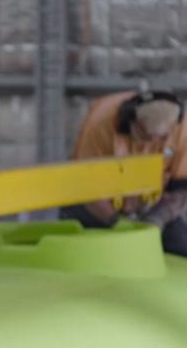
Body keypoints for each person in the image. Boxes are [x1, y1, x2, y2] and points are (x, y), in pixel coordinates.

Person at [60, 88, 187, 256]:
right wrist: (116, 221)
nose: (151, 144)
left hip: (150, 206)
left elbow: (180, 188)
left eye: (162, 139)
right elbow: (87, 187)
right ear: (132, 120)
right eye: (146, 137)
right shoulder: (101, 125)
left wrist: (159, 217)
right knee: (86, 255)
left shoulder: (181, 130)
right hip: (95, 206)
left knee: (181, 248)